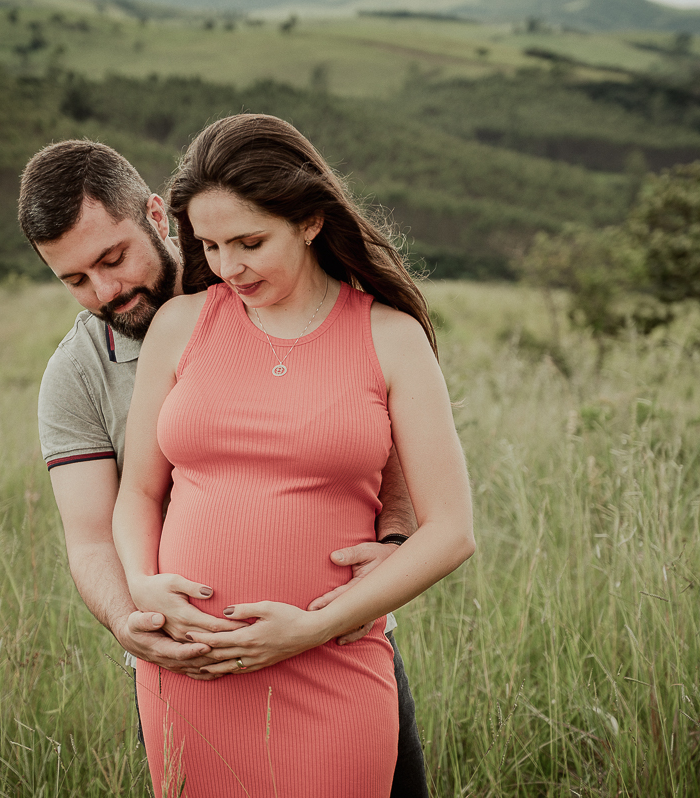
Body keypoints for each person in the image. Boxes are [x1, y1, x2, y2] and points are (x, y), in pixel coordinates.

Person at [18, 139, 433, 795]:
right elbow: (94, 532)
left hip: (334, 648)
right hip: (191, 667)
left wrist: (395, 540)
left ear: (158, 217)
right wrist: (134, 620)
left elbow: (379, 449)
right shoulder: (77, 375)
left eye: (113, 258)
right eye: (74, 280)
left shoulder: (287, 293)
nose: (105, 290)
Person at [113, 114, 474, 796]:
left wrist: (309, 629)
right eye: (210, 244)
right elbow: (138, 494)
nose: (228, 267)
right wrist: (140, 580)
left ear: (310, 220)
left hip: (331, 664)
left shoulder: (390, 337)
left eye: (251, 242)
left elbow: (453, 531)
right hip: (194, 672)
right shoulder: (181, 325)